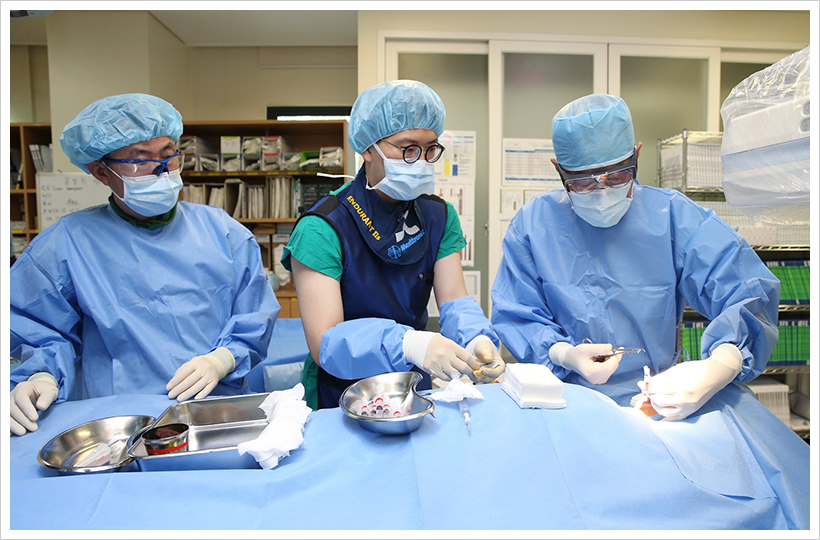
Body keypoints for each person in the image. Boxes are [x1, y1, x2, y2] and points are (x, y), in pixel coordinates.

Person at [491, 93, 780, 420]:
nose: (602, 192)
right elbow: (517, 312)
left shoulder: (673, 217)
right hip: (563, 403)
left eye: (617, 176)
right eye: (583, 182)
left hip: (654, 401)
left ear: (636, 155)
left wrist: (721, 364)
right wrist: (562, 353)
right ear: (559, 170)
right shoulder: (534, 225)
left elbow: (748, 292)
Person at [10, 93, 280, 436]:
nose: (161, 169)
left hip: (214, 411)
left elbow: (254, 316)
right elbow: (38, 328)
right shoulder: (66, 243)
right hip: (116, 422)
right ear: (101, 172)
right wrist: (41, 375)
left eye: (169, 155)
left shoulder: (225, 233)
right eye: (140, 160)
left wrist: (222, 359)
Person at [282, 80, 504, 410]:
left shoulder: (438, 216)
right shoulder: (323, 227)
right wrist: (410, 343)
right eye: (407, 148)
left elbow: (454, 300)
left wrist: (476, 338)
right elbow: (325, 342)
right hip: (340, 390)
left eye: (430, 149)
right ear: (367, 148)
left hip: (409, 383)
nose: (422, 161)